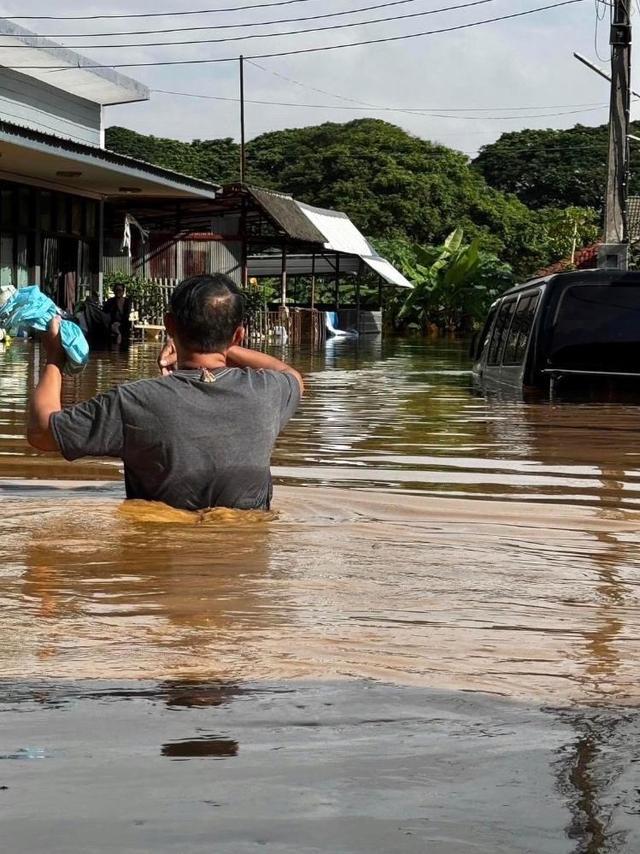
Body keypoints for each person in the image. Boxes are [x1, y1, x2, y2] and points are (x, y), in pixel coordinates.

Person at [27, 274, 304, 512]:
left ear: (168, 326)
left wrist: (54, 359)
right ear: (239, 336)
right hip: (247, 559)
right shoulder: (269, 392)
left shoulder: (134, 401)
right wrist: (224, 347)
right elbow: (292, 376)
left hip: (161, 553)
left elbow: (42, 431)